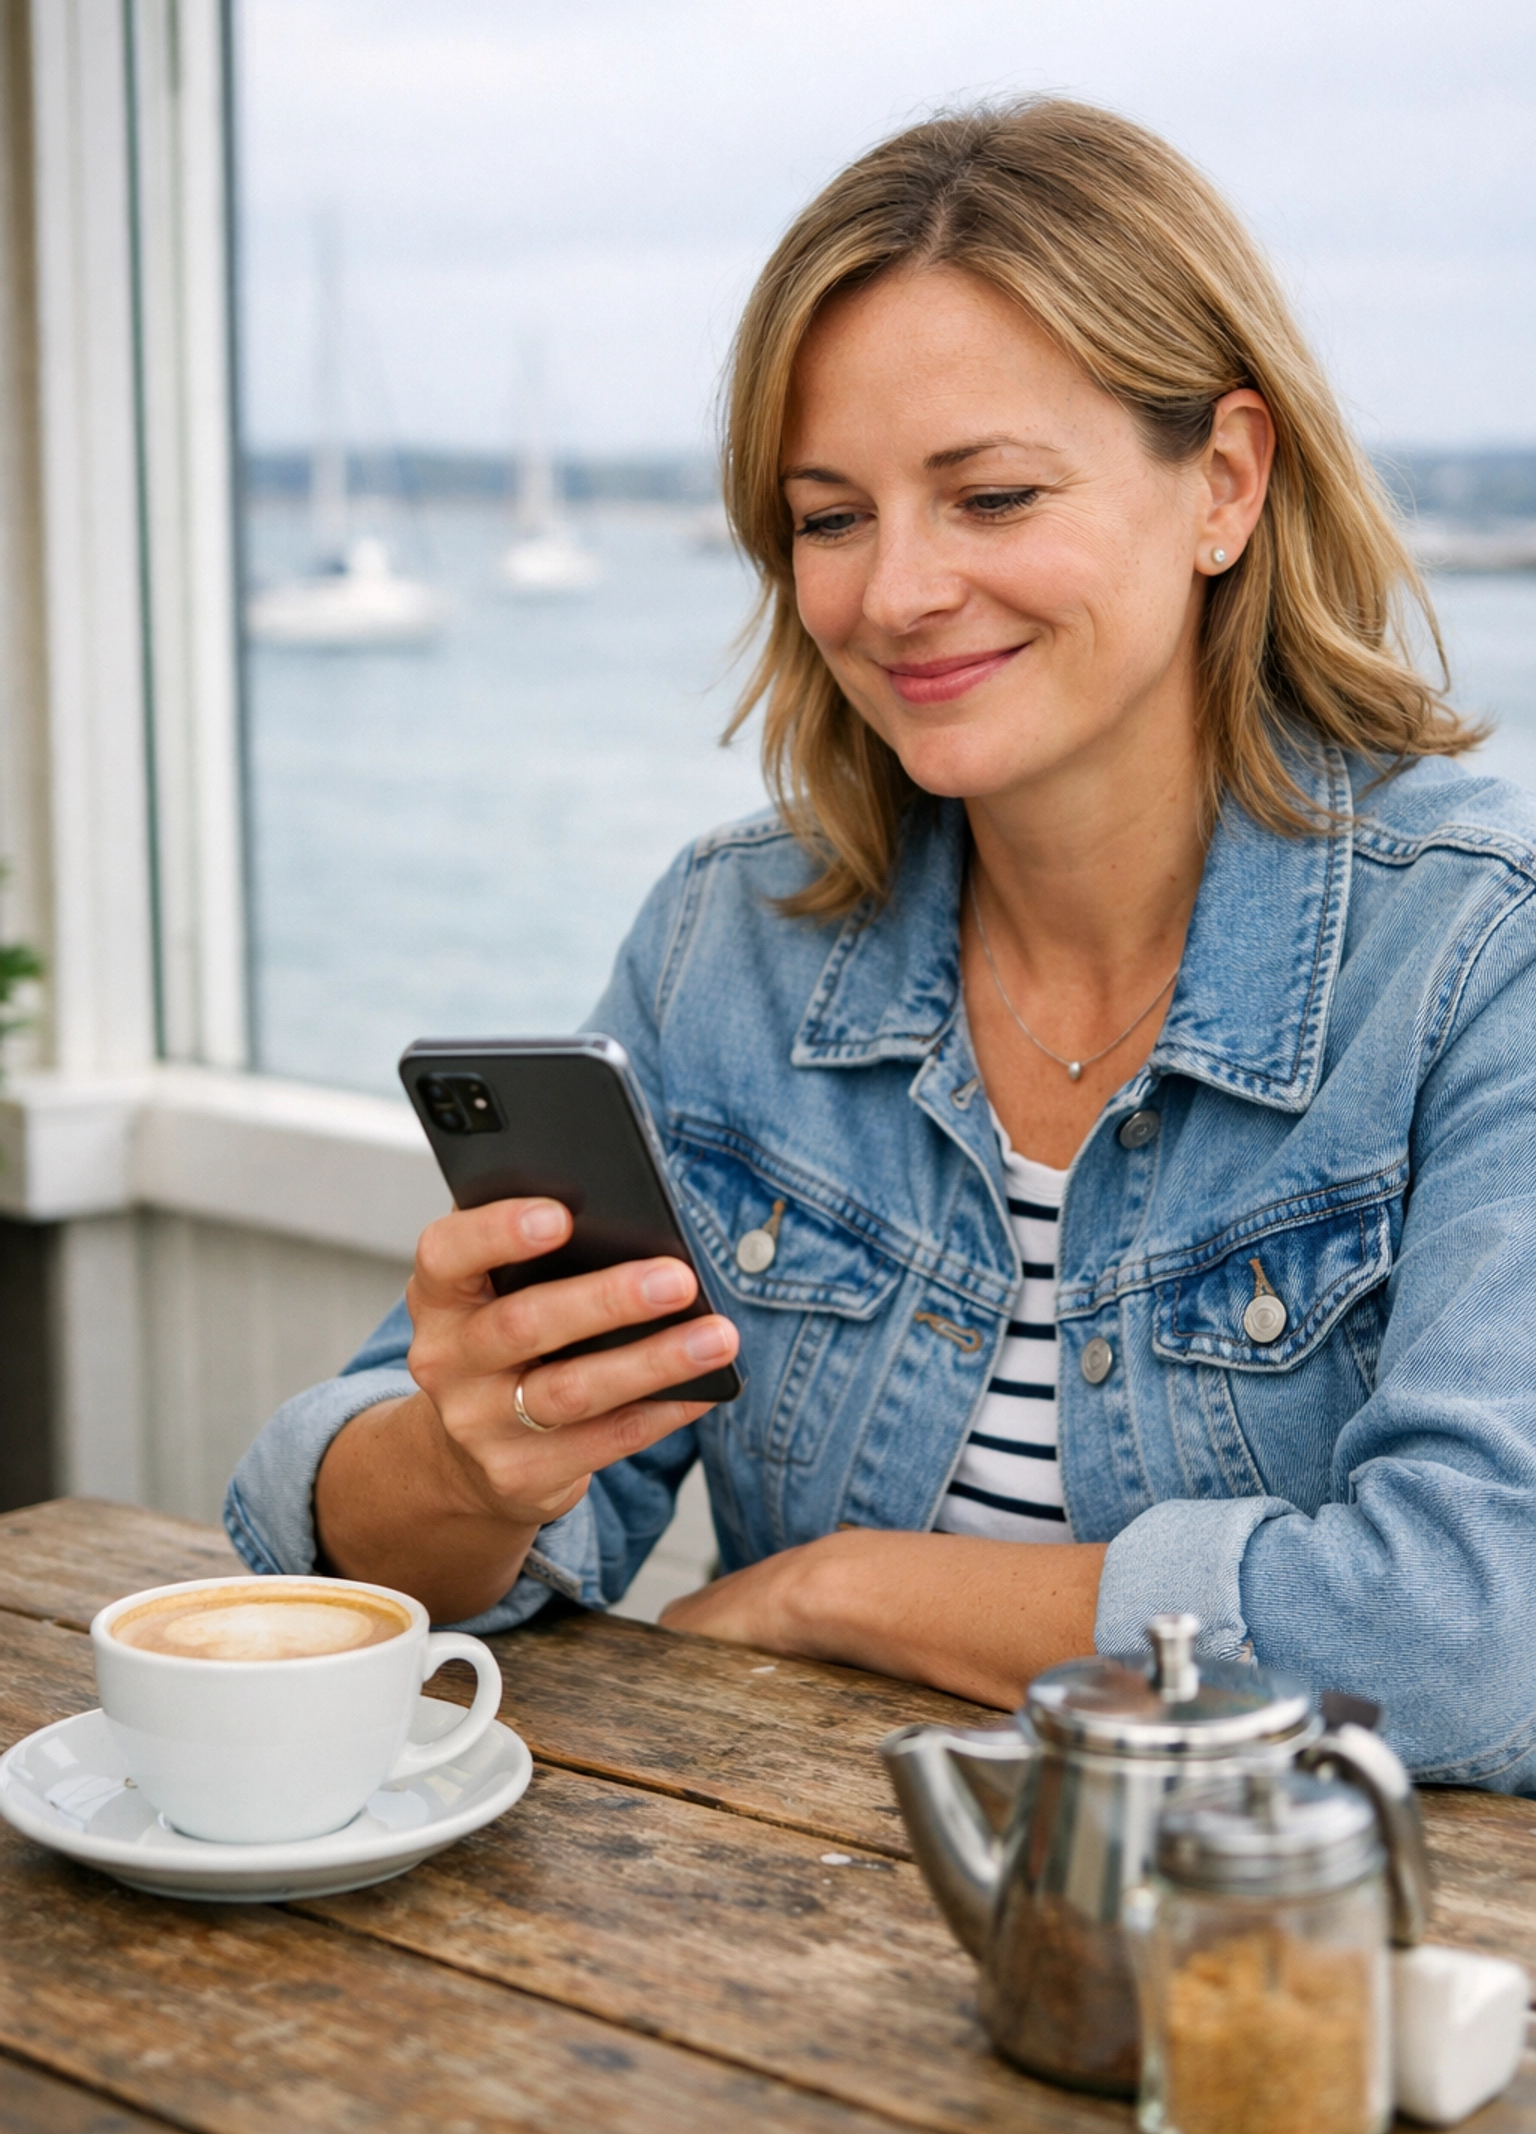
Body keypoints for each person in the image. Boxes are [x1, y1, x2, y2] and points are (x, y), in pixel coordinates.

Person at [228, 99, 1536, 1790]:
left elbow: (1471, 1634)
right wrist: (465, 1464)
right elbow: (332, 1558)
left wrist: (838, 1593)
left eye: (989, 496)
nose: (894, 591)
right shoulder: (730, 945)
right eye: (830, 518)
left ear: (1223, 482)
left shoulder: (1474, 958)